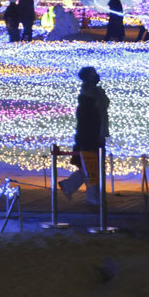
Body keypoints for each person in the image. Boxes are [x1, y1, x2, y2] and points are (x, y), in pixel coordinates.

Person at [58, 66, 109, 207]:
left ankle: (69, 186)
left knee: (91, 166)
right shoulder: (88, 98)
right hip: (92, 137)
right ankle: (92, 197)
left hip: (99, 134)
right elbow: (87, 122)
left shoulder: (96, 93)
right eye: (93, 74)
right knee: (93, 166)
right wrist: (92, 137)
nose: (97, 75)